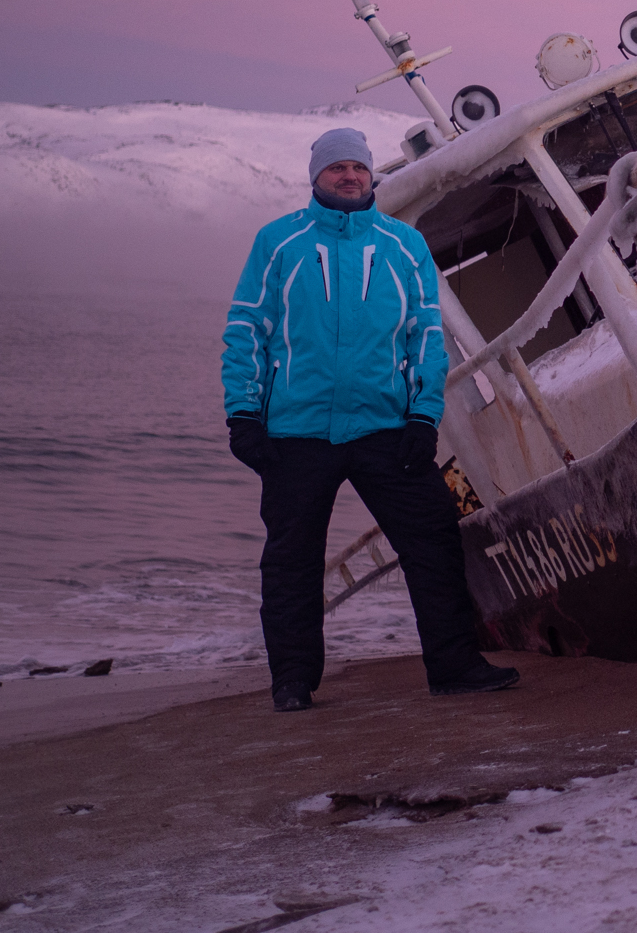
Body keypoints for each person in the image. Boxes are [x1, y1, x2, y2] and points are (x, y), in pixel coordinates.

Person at [221, 126, 517, 711]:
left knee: (434, 540)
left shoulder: (404, 246)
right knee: (291, 559)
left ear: (370, 176)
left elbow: (426, 339)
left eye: (357, 166)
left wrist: (422, 418)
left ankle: (454, 665)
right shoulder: (279, 243)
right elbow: (245, 331)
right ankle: (293, 681)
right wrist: (243, 416)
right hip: (295, 434)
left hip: (386, 429)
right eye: (337, 168)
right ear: (317, 178)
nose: (349, 175)